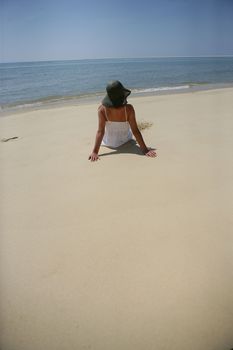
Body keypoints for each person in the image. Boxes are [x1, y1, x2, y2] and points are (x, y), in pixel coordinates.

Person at [88, 80, 157, 161]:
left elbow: (100, 132)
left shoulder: (102, 109)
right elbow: (135, 130)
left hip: (108, 143)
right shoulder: (128, 109)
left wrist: (95, 151)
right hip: (125, 140)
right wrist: (144, 149)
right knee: (132, 131)